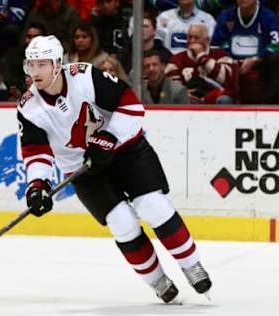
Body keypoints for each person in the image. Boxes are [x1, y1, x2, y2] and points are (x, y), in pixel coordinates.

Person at [17, 35, 212, 303]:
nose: (35, 72)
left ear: (58, 63)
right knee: (121, 222)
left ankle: (192, 266)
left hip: (126, 150)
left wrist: (109, 137)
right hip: (84, 169)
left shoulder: (84, 75)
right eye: (31, 65)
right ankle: (158, 280)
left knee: (152, 205)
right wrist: (37, 185)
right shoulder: (29, 107)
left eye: (42, 64)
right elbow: (36, 152)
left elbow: (130, 104)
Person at [165, 23, 235, 103]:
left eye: (196, 38)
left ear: (207, 40)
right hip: (188, 101)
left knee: (225, 99)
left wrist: (201, 56)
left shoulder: (221, 54)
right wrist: (183, 94)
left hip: (215, 99)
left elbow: (227, 78)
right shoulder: (176, 59)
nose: (192, 41)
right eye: (189, 37)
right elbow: (171, 85)